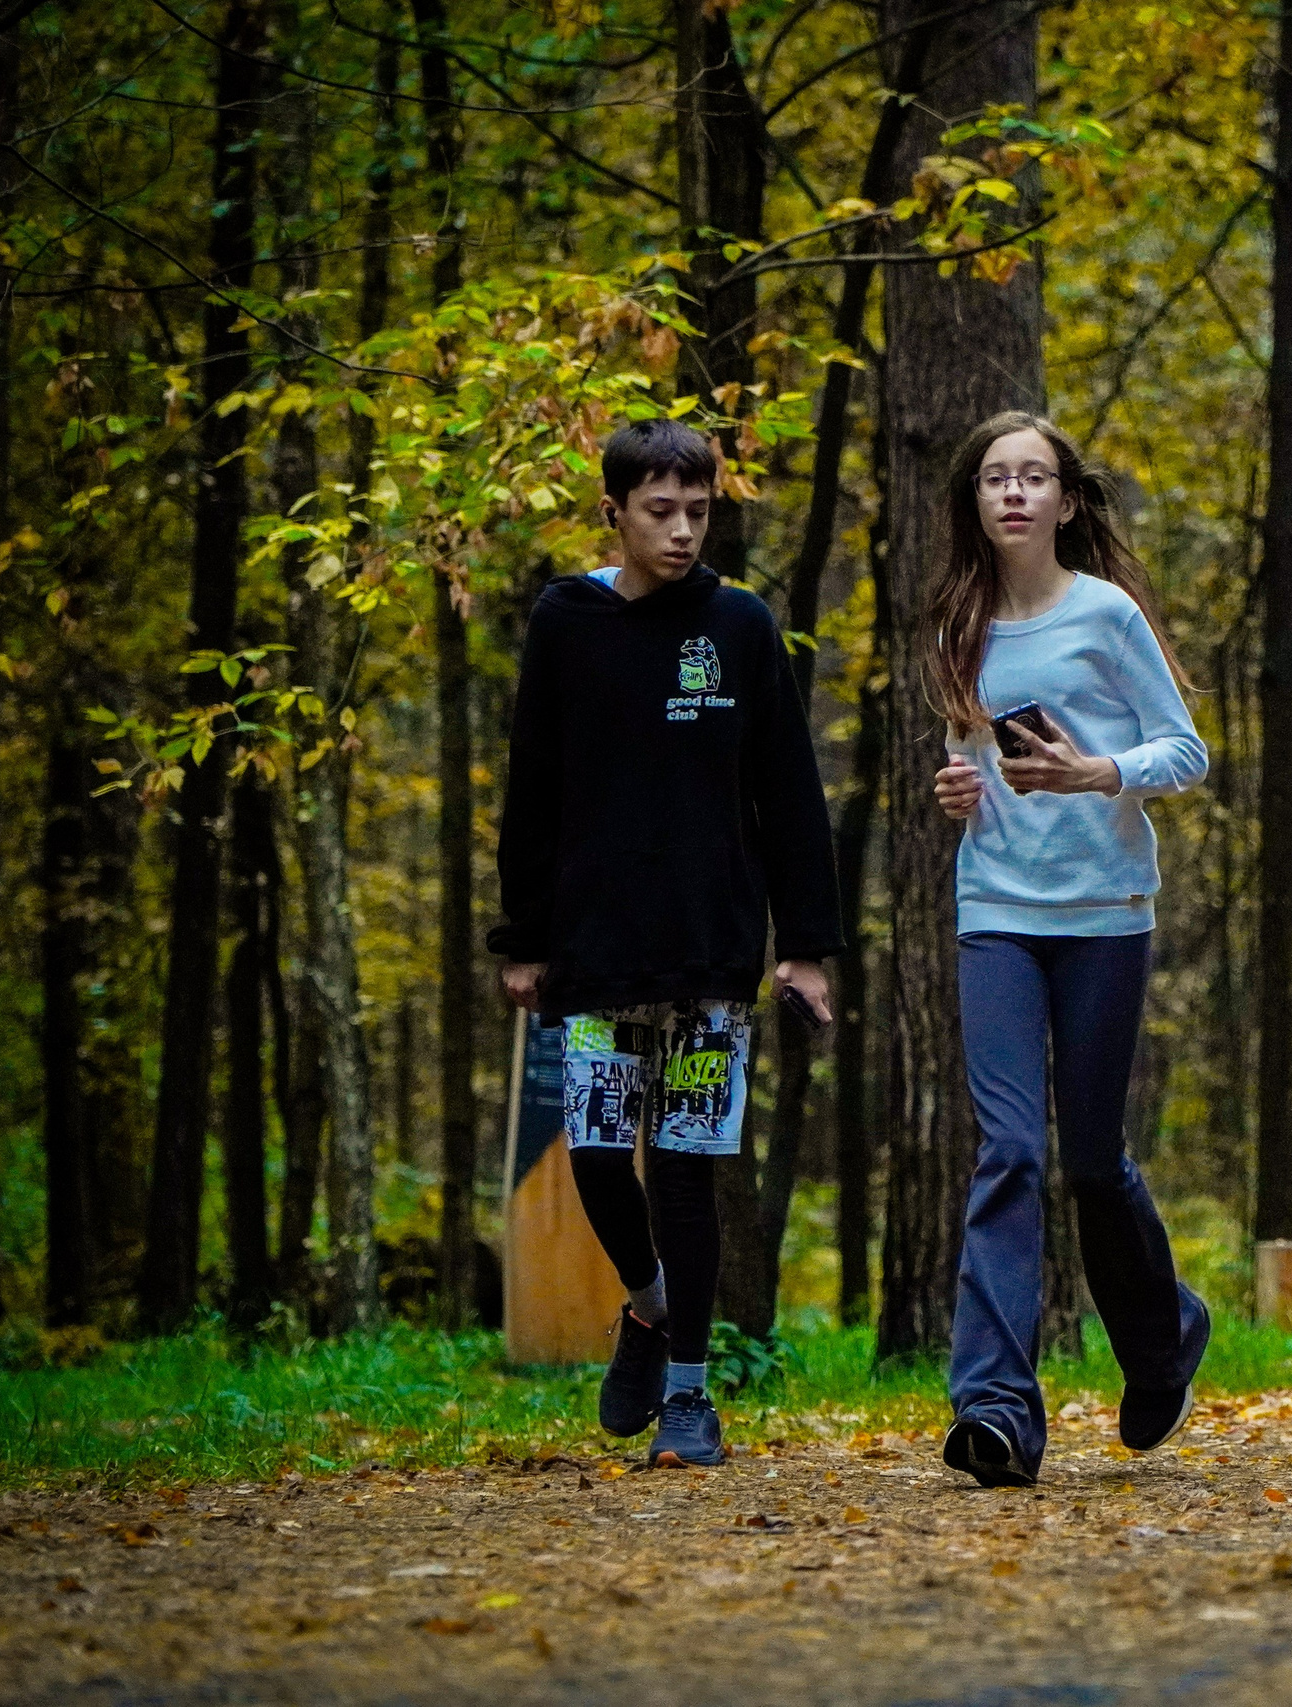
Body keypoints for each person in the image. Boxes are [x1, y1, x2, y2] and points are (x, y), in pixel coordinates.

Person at [489, 418, 841, 1468]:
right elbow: (533, 788)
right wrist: (521, 938)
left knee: (685, 1170)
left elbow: (790, 794)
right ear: (615, 514)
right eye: (660, 512)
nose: (683, 531)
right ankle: (647, 1310)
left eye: (698, 510)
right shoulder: (566, 621)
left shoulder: (739, 627)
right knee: (600, 1159)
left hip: (709, 956)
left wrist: (806, 944)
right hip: (597, 953)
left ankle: (690, 1394)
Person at [926, 410, 1213, 1488]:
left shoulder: (1106, 614)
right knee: (1012, 1151)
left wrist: (1098, 774)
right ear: (975, 502)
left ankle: (1162, 1339)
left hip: (1101, 911)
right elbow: (968, 765)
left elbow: (1186, 752)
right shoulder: (956, 621)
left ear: (1065, 500)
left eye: (1032, 478)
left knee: (1092, 1164)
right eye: (994, 478)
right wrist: (957, 787)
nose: (1012, 494)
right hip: (995, 908)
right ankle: (995, 1409)